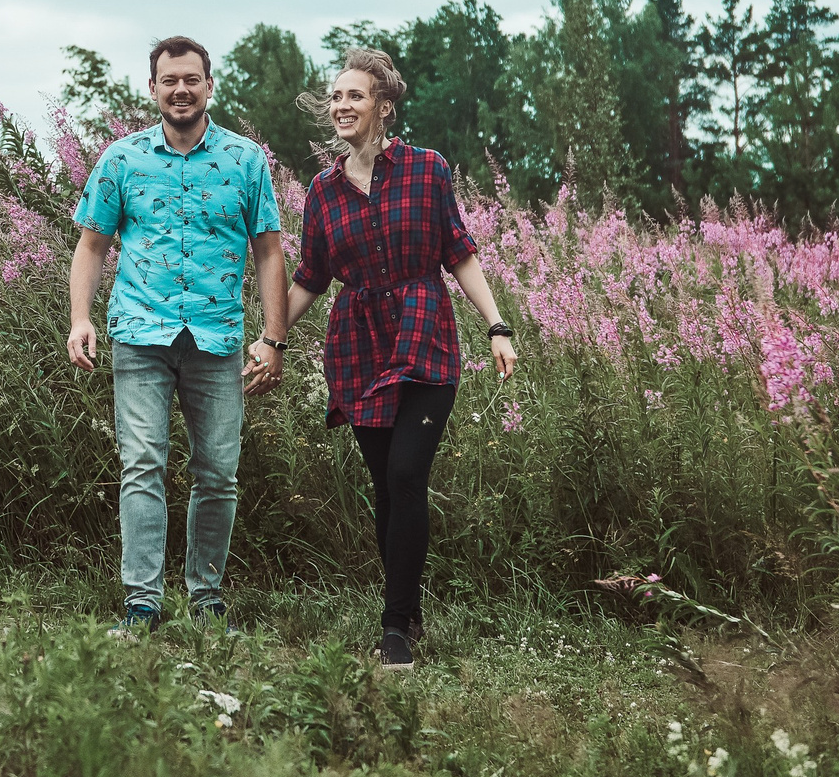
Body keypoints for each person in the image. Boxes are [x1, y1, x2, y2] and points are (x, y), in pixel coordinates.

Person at [281, 46, 516, 670]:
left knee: (408, 474)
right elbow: (311, 276)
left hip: (425, 337)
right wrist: (269, 336)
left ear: (383, 105)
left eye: (354, 95)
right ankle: (408, 604)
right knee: (385, 488)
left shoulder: (427, 168)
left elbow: (457, 251)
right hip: (358, 346)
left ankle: (395, 630)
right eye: (335, 97)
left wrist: (497, 325)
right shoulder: (323, 193)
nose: (341, 105)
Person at [67, 36, 289, 632]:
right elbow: (92, 244)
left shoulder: (245, 161)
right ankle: (142, 602)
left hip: (217, 341)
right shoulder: (122, 159)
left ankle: (206, 596)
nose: (181, 89)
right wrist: (80, 319)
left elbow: (269, 252)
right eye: (170, 80)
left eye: (192, 79)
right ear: (153, 88)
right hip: (139, 334)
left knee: (217, 472)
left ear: (209, 86)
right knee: (142, 464)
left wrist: (272, 338)